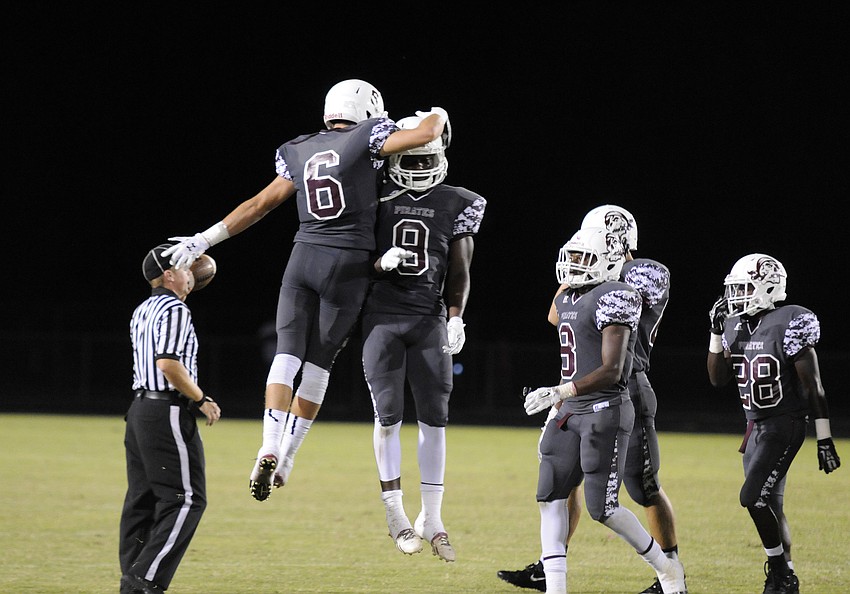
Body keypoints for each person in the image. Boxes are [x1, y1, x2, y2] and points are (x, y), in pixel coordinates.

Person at [160, 79, 449, 501]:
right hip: (348, 264)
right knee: (318, 364)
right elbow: (427, 133)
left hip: (303, 257)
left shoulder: (298, 148)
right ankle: (287, 458)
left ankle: (269, 445)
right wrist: (438, 112)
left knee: (286, 354)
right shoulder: (368, 134)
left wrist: (203, 239)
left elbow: (258, 205)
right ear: (367, 111)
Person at [499, 205, 685, 594]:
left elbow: (617, 313)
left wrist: (600, 266)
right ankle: (551, 568)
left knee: (642, 487)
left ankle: (670, 570)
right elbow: (557, 315)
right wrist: (579, 267)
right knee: (560, 482)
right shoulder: (585, 282)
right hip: (580, 386)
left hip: (623, 384)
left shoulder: (642, 273)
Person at [360, 114, 486, 562]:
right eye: (409, 160)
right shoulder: (375, 195)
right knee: (387, 415)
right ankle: (395, 513)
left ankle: (431, 517)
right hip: (382, 317)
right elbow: (351, 259)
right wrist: (379, 265)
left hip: (429, 319)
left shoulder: (459, 202)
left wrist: (456, 317)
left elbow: (460, 268)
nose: (416, 168)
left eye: (424, 159)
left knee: (435, 417)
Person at [707, 253, 840, 594]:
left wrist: (824, 437)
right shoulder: (736, 325)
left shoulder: (791, 320)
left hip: (784, 424)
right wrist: (715, 333)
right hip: (754, 428)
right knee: (771, 506)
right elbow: (718, 379)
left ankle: (780, 573)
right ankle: (787, 576)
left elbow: (814, 386)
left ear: (768, 286)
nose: (735, 296)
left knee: (752, 497)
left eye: (743, 288)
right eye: (734, 289)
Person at [120, 243, 222, 594]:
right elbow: (167, 363)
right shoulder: (175, 309)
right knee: (187, 499)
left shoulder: (142, 309)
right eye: (183, 267)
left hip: (139, 411)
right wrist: (201, 399)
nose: (190, 272)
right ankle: (144, 580)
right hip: (166, 410)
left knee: (143, 501)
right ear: (168, 275)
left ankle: (132, 581)